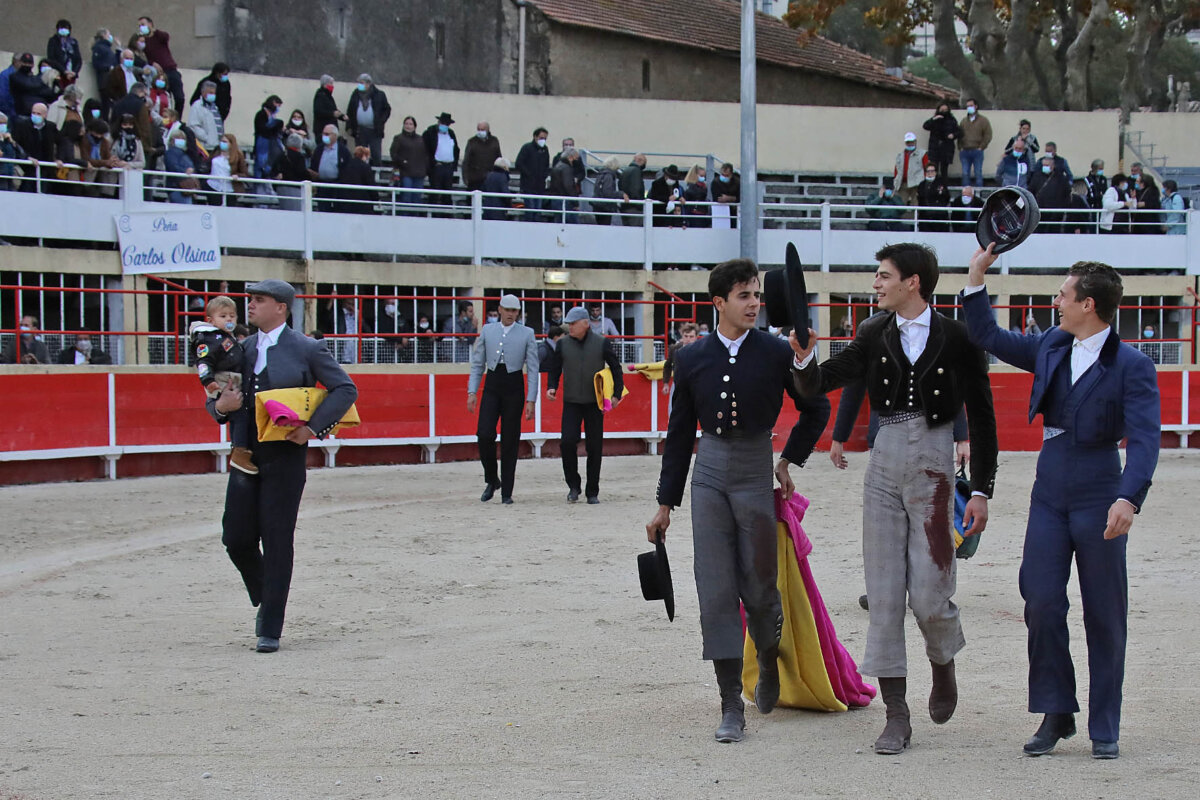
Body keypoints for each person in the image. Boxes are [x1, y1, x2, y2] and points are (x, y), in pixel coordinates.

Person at [790, 242, 998, 756]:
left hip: (934, 460)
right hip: (883, 463)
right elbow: (823, 383)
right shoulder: (871, 332)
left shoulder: (956, 337)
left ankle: (943, 664)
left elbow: (986, 417)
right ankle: (897, 714)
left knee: (930, 596)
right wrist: (803, 358)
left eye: (884, 276)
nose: (875, 284)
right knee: (884, 597)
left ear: (913, 283)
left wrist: (984, 490)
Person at [961, 248, 1159, 760]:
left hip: (1099, 489)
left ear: (1088, 305)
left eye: (1063, 295)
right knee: (1042, 600)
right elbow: (990, 337)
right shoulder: (1053, 343)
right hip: (1049, 491)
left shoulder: (1131, 365)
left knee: (1105, 613)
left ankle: (1104, 723)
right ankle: (1056, 711)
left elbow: (1145, 439)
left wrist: (1129, 498)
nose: (1056, 301)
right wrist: (977, 278)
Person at [646, 258, 831, 743]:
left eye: (757, 296)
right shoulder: (691, 357)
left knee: (759, 586)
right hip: (707, 474)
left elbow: (816, 407)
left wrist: (789, 459)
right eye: (745, 296)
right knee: (714, 588)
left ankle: (768, 659)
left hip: (753, 470)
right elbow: (681, 430)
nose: (755, 304)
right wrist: (665, 502)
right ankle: (731, 702)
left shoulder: (774, 351)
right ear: (719, 302)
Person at [209, 279, 358, 654]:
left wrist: (311, 428)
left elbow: (345, 389)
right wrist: (218, 409)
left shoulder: (306, 348)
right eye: (251, 300)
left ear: (281, 307)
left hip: (285, 455)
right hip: (245, 453)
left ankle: (270, 625)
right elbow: (219, 397)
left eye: (259, 300)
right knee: (236, 537)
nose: (251, 306)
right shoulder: (239, 348)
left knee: (277, 539)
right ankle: (266, 590)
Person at [545, 306, 624, 503]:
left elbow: (616, 367)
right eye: (568, 324)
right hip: (571, 402)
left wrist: (616, 394)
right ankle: (573, 485)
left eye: (573, 324)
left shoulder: (601, 343)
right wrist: (551, 386)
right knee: (567, 442)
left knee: (594, 447)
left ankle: (592, 491)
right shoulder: (562, 345)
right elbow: (554, 369)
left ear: (585, 324)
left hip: (595, 403)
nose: (569, 327)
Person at [468, 294, 539, 505]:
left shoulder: (527, 333)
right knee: (484, 433)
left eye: (514, 311)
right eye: (507, 309)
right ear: (499, 309)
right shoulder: (488, 330)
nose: (510, 314)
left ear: (518, 312)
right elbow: (478, 363)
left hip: (514, 386)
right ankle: (492, 479)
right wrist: (472, 391)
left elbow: (533, 369)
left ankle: (507, 491)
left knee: (510, 439)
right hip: (492, 384)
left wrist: (531, 399)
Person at [191, 296, 256, 474]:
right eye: (223, 316)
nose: (229, 319)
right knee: (240, 414)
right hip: (224, 381)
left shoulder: (229, 338)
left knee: (240, 414)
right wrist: (208, 381)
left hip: (232, 378)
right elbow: (203, 362)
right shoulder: (209, 339)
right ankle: (239, 450)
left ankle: (239, 449)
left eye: (232, 316)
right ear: (210, 320)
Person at [136, 16, 184, 112]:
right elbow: (140, 57)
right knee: (164, 100)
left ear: (150, 24)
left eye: (143, 24)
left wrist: (154, 31)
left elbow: (166, 37)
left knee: (179, 98)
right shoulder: (143, 41)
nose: (141, 27)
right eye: (139, 26)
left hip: (171, 70)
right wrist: (152, 63)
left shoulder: (158, 36)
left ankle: (176, 119)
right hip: (159, 74)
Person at [12, 102, 62, 193]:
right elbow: (16, 144)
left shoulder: (51, 127)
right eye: (33, 113)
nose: (35, 116)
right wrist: (26, 157)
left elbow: (61, 143)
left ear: (45, 115)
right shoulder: (22, 125)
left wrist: (58, 158)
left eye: (38, 114)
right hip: (27, 170)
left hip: (46, 170)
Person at [346, 74, 390, 167]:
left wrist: (381, 121)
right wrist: (349, 127)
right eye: (359, 83)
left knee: (376, 154)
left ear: (368, 84)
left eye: (361, 83)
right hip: (360, 130)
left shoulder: (379, 95)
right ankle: (361, 173)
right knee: (360, 154)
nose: (359, 85)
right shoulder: (355, 95)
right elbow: (350, 111)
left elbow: (387, 110)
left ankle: (376, 174)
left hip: (375, 130)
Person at [308, 125, 351, 212]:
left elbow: (348, 168)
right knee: (323, 208)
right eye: (323, 134)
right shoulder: (319, 149)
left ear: (335, 136)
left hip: (337, 187)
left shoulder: (343, 150)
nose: (324, 136)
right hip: (322, 185)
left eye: (327, 134)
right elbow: (313, 164)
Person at [422, 111, 459, 207]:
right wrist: (432, 163)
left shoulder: (451, 133)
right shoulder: (430, 132)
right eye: (443, 123)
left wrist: (454, 165)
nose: (445, 125)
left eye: (447, 124)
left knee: (447, 193)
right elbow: (426, 149)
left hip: (448, 167)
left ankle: (446, 215)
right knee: (435, 192)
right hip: (436, 167)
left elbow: (456, 149)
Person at [390, 115, 426, 210]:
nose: (408, 126)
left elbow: (426, 155)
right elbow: (393, 153)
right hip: (405, 172)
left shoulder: (421, 139)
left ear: (414, 126)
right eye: (406, 123)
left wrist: (425, 168)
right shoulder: (398, 138)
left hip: (419, 173)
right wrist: (403, 162)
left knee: (417, 199)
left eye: (410, 124)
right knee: (406, 197)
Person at [514, 127, 551, 221]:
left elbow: (546, 165)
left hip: (540, 186)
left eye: (545, 138)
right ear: (535, 137)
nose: (543, 140)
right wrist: (529, 174)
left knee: (538, 210)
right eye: (541, 138)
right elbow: (519, 163)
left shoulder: (545, 150)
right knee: (530, 210)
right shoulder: (527, 148)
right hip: (528, 185)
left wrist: (544, 175)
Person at [1029, 154, 1073, 231]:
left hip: (1056, 213)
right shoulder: (1037, 176)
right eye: (1044, 165)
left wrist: (1062, 208)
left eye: (1047, 165)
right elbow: (1031, 191)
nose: (1044, 167)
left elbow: (1067, 194)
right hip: (1040, 211)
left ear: (1052, 166)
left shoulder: (1061, 178)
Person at [957, 99, 991, 188]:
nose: (969, 108)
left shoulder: (983, 120)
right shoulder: (964, 121)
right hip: (965, 151)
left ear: (976, 106)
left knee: (978, 172)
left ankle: (979, 192)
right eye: (967, 106)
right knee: (965, 173)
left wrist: (981, 147)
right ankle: (965, 193)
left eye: (971, 105)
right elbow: (959, 134)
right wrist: (960, 147)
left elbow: (988, 135)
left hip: (977, 151)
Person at [923, 102, 959, 180]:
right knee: (933, 168)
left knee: (944, 170)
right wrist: (934, 119)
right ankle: (933, 186)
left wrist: (953, 135)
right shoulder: (935, 120)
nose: (944, 111)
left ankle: (944, 187)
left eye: (945, 110)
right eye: (942, 109)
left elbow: (958, 131)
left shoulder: (952, 120)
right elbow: (925, 126)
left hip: (946, 148)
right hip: (934, 148)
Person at [462, 121, 502, 191]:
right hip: (474, 179)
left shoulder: (494, 141)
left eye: (482, 130)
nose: (480, 131)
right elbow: (466, 160)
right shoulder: (472, 141)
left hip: (490, 178)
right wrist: (465, 178)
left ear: (488, 130)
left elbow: (499, 158)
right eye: (478, 129)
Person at [660, 321, 698, 395]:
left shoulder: (701, 350)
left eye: (691, 336)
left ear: (696, 337)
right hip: (678, 383)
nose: (688, 339)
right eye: (686, 336)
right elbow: (668, 365)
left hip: (696, 384)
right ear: (682, 336)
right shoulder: (674, 348)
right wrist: (666, 383)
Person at [339, 145, 378, 214]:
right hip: (362, 204)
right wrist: (376, 199)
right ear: (364, 155)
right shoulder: (365, 167)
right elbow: (371, 185)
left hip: (345, 203)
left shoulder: (345, 166)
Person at [252, 95, 284, 179]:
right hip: (263, 144)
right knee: (261, 167)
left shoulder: (272, 116)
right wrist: (277, 124)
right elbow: (264, 129)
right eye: (278, 105)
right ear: (273, 103)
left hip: (271, 147)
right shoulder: (261, 114)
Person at [894, 132, 929, 205]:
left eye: (911, 142)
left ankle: (915, 216)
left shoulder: (922, 154)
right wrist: (896, 180)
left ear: (915, 142)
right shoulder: (900, 156)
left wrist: (924, 182)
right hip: (903, 183)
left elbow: (927, 168)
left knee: (916, 204)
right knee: (900, 204)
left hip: (917, 184)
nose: (910, 144)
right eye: (908, 142)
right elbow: (896, 170)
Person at [548, 147, 581, 223]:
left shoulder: (558, 165)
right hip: (565, 201)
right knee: (572, 224)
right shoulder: (566, 168)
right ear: (570, 157)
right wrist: (575, 201)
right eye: (575, 159)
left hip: (556, 199)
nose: (576, 161)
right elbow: (568, 186)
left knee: (559, 223)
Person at [91, 30, 120, 115]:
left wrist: (118, 49)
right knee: (106, 105)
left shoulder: (108, 49)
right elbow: (96, 63)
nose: (110, 36)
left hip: (111, 81)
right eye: (109, 34)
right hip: (105, 81)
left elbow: (115, 62)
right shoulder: (99, 48)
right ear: (103, 35)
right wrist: (108, 67)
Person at [590, 155, 625, 227]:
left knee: (600, 226)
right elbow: (608, 193)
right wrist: (621, 194)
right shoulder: (609, 176)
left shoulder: (601, 174)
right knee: (605, 226)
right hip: (605, 207)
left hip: (598, 206)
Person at [188, 80, 223, 151]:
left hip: (216, 146)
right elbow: (193, 126)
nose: (213, 95)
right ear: (203, 92)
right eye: (210, 93)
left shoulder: (215, 108)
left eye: (214, 93)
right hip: (205, 146)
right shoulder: (197, 106)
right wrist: (207, 138)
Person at [914, 163, 950, 232]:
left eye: (932, 171)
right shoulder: (921, 185)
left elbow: (946, 197)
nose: (930, 173)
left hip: (939, 217)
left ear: (935, 172)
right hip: (924, 217)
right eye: (928, 171)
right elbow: (920, 198)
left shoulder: (941, 183)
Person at [46, 20, 83, 87]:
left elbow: (78, 59)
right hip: (58, 73)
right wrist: (64, 71)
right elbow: (51, 58)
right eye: (62, 28)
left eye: (66, 28)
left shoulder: (73, 42)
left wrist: (74, 72)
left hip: (71, 74)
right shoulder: (53, 41)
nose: (64, 30)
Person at [1128, 164, 1161, 234]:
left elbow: (1156, 204)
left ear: (1143, 183)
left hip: (1149, 222)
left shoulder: (1153, 190)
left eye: (1137, 182)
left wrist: (1145, 204)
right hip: (1138, 222)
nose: (1135, 183)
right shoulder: (1137, 191)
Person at [0, 113, 28, 191]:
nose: (2, 126)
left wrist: (13, 143)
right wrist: (1, 141)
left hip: (10, 177)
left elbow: (22, 155)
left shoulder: (8, 140)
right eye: (0, 123)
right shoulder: (2, 141)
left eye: (4, 124)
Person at [618, 153, 647, 226]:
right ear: (640, 161)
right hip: (634, 208)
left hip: (625, 206)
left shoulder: (625, 170)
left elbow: (620, 185)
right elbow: (635, 189)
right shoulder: (636, 171)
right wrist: (640, 205)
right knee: (637, 232)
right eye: (644, 162)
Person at [712, 162, 740, 228]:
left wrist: (728, 198)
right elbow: (716, 198)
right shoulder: (716, 182)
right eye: (722, 175)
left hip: (735, 211)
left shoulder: (737, 182)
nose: (724, 177)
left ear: (731, 174)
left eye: (727, 175)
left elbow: (741, 197)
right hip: (720, 211)